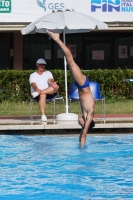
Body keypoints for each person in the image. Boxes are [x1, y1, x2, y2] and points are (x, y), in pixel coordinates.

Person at [46, 30, 95, 148]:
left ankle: (57, 39)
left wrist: (80, 139)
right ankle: (57, 38)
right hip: (83, 85)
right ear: (86, 122)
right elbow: (84, 135)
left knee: (70, 62)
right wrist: (82, 150)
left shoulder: (85, 115)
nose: (79, 121)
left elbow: (82, 133)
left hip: (81, 85)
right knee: (70, 60)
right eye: (81, 123)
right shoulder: (89, 115)